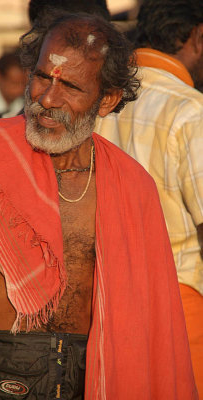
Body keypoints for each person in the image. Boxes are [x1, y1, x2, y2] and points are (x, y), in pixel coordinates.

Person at [0, 12, 198, 400]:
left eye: (71, 86)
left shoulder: (132, 184)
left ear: (106, 99)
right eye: (42, 76)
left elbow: (150, 318)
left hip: (94, 379)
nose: (47, 99)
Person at [95, 0, 203, 397]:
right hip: (181, 302)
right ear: (198, 36)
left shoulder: (100, 100)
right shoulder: (191, 110)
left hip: (108, 300)